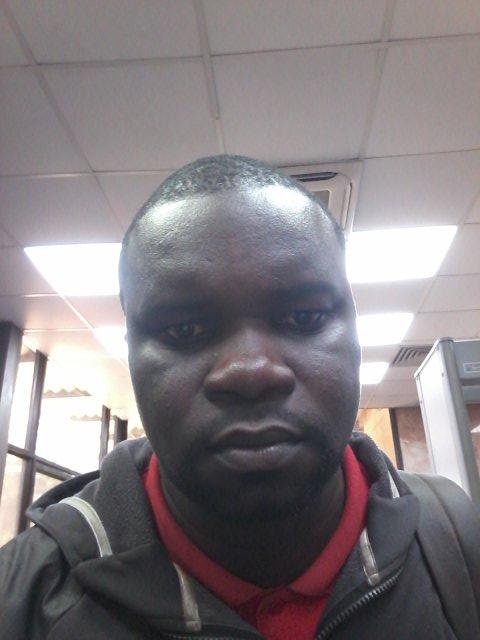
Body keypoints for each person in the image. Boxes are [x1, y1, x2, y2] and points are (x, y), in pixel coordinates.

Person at [0, 155, 479, 640]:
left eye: (305, 317)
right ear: (132, 356)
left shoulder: (457, 543)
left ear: (354, 334)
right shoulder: (23, 599)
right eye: (184, 328)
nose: (250, 371)